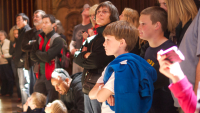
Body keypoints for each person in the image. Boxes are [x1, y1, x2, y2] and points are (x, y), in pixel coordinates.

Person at [89, 21, 156, 113]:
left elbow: (100, 97)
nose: (104, 44)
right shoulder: (112, 65)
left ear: (121, 42)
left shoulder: (123, 67)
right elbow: (91, 94)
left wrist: (104, 91)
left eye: (108, 39)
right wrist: (106, 92)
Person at [74, 1, 119, 113]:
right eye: (98, 12)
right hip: (88, 85)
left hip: (102, 86)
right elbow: (76, 58)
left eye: (104, 12)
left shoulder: (112, 35)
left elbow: (96, 61)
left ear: (112, 16)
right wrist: (85, 55)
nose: (100, 14)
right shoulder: (95, 37)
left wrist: (85, 55)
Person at [138, 6, 178, 113]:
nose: (138, 27)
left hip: (163, 107)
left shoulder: (170, 50)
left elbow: (152, 80)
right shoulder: (148, 49)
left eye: (143, 24)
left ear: (157, 25)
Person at [30, 14, 63, 103]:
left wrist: (38, 53)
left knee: (52, 102)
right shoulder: (39, 38)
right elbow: (32, 56)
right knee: (37, 101)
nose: (43, 25)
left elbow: (48, 57)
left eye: (46, 23)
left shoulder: (58, 40)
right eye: (43, 22)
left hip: (52, 75)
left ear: (53, 24)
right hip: (40, 74)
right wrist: (43, 56)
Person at [22, 10, 46, 96]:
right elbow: (24, 47)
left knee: (43, 88)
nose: (34, 18)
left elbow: (45, 46)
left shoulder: (46, 32)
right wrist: (37, 44)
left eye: (37, 16)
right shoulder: (29, 33)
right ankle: (34, 108)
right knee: (33, 87)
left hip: (44, 63)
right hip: (32, 63)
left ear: (43, 18)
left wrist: (32, 43)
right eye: (34, 17)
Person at [69, 4, 92, 74]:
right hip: (76, 58)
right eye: (85, 9)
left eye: (88, 9)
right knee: (76, 79)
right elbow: (72, 42)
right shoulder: (77, 27)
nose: (86, 9)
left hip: (86, 59)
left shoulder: (92, 26)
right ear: (82, 13)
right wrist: (72, 50)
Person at [15, 13, 31, 106]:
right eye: (16, 20)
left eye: (19, 20)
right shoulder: (21, 31)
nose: (17, 22)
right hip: (20, 62)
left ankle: (27, 105)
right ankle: (25, 104)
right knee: (22, 85)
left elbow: (27, 48)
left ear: (25, 20)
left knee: (25, 85)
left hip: (24, 62)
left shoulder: (27, 31)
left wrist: (22, 60)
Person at [9, 26, 22, 101]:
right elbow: (10, 52)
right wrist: (14, 47)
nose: (16, 35)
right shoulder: (12, 41)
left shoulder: (23, 40)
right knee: (17, 79)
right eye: (14, 34)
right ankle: (19, 96)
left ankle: (23, 97)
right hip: (14, 62)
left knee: (22, 80)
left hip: (21, 62)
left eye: (17, 33)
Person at [0, 30, 14, 97]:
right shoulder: (0, 43)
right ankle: (3, 92)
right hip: (1, 63)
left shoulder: (8, 42)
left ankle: (9, 92)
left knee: (9, 78)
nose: (0, 36)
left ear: (5, 36)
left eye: (1, 35)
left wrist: (5, 56)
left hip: (7, 62)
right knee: (3, 78)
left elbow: (12, 53)